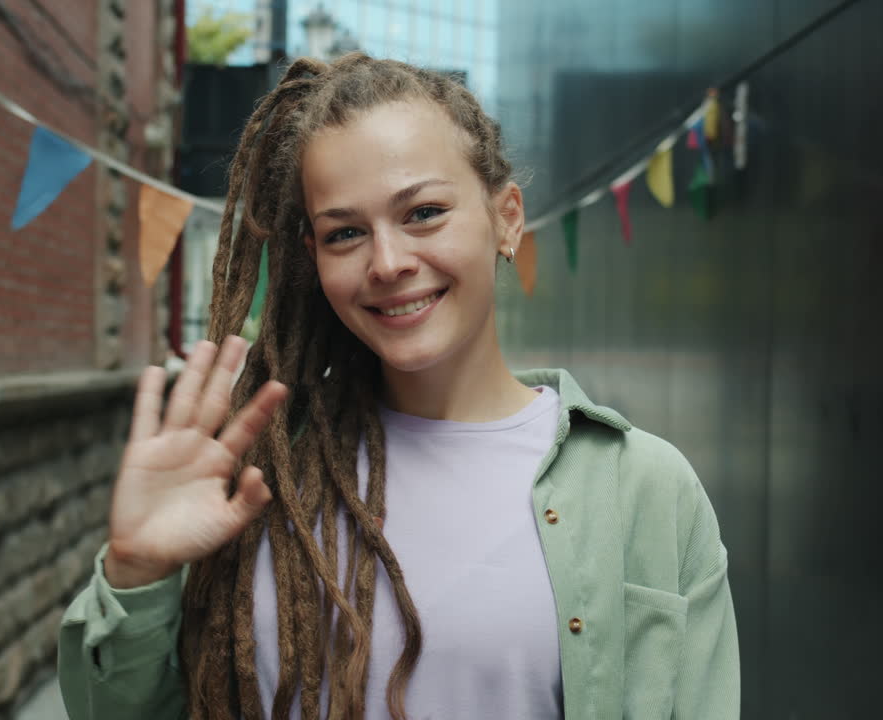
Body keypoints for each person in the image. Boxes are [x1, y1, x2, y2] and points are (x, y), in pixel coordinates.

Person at [58, 53, 739, 720]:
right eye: (346, 232)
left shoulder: (647, 491)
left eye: (423, 213)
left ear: (507, 218)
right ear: (314, 259)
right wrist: (137, 572)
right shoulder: (259, 479)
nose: (387, 262)